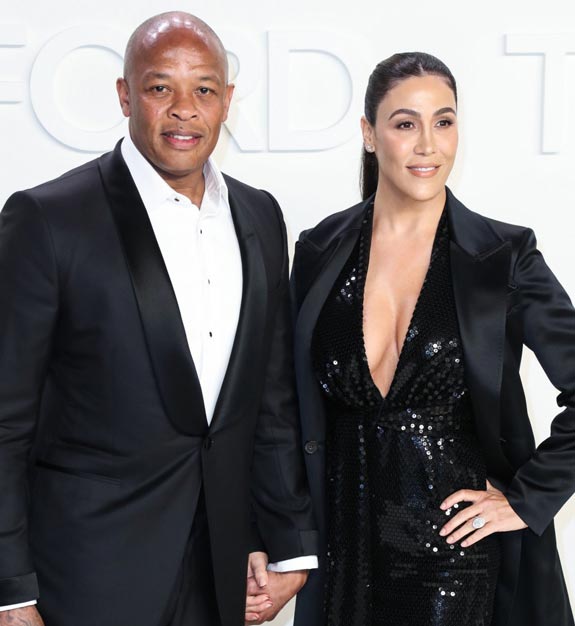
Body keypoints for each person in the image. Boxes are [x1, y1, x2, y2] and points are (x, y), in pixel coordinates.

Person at [0, 12, 318, 626]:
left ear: (227, 101)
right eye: (159, 87)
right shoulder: (48, 219)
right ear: (125, 96)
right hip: (86, 576)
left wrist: (289, 542)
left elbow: (270, 398)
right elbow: (5, 419)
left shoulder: (259, 215)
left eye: (204, 89)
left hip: (222, 572)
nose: (184, 110)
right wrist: (10, 591)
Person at [287, 52, 575, 626]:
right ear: (369, 134)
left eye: (443, 122)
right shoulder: (318, 250)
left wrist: (526, 499)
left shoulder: (503, 256)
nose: (428, 145)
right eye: (405, 124)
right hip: (343, 554)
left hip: (457, 563)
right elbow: (282, 404)